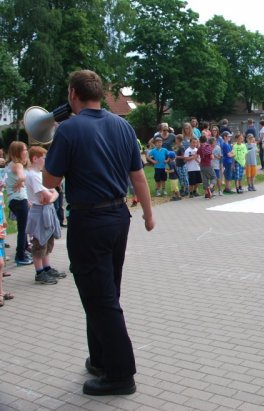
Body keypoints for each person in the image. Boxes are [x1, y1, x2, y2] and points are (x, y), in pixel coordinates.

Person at [43, 69, 154, 396]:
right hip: (119, 217)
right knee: (106, 293)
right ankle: (100, 358)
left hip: (89, 222)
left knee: (100, 298)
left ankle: (120, 375)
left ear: (73, 95)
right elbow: (139, 177)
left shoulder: (69, 130)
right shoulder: (123, 125)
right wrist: (148, 215)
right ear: (101, 95)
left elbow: (50, 182)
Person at [25, 146, 65, 285]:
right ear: (35, 158)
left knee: (47, 240)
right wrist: (53, 195)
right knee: (39, 242)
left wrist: (53, 194)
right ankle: (40, 272)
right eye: (44, 157)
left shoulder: (39, 174)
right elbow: (49, 196)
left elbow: (54, 191)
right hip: (39, 212)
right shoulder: (32, 175)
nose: (46, 160)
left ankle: (46, 268)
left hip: (45, 210)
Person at [5, 141, 32, 266]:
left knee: (22, 228)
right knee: (23, 230)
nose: (26, 152)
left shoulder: (10, 164)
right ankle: (20, 256)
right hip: (20, 199)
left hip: (13, 200)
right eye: (24, 150)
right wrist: (19, 183)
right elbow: (22, 177)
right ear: (18, 152)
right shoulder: (18, 165)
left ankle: (23, 251)